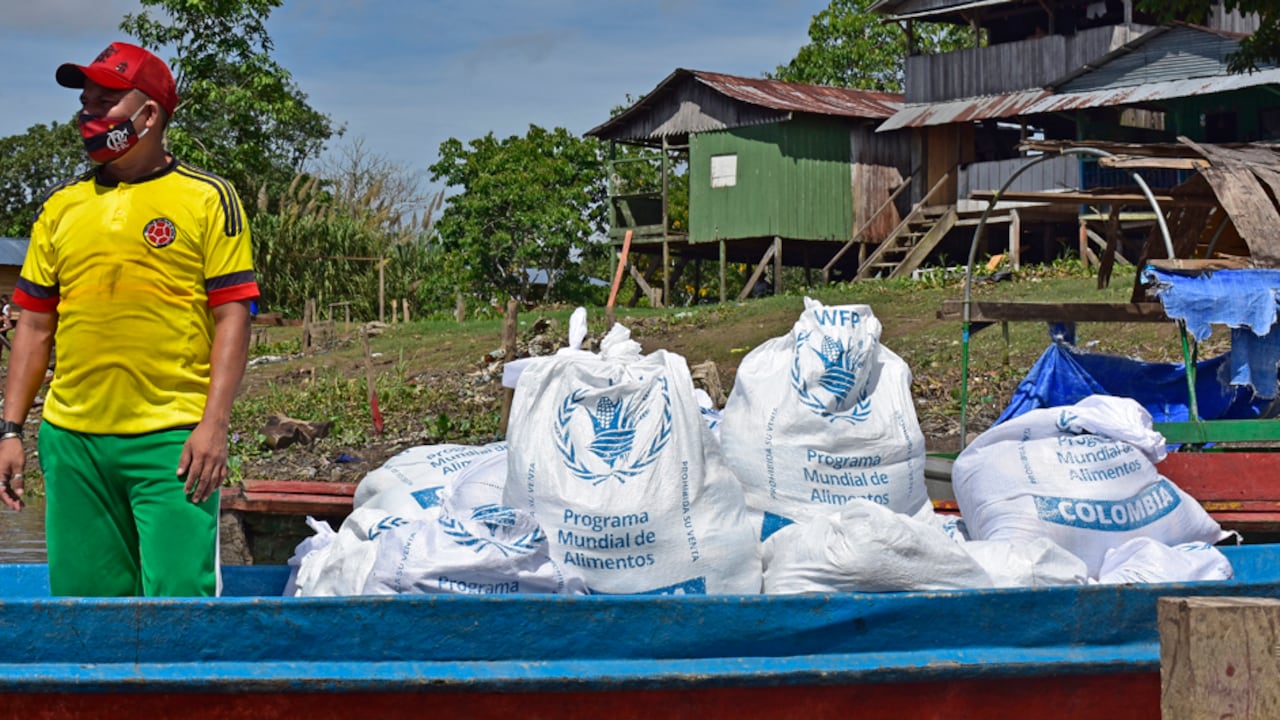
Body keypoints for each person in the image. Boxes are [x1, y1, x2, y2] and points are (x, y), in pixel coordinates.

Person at [0, 42, 260, 598]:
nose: (88, 115)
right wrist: (11, 429)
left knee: (179, 605)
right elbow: (34, 325)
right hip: (74, 443)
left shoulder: (209, 198)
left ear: (148, 116)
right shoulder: (60, 206)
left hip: (172, 441)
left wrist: (213, 425)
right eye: (85, 103)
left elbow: (233, 317)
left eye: (105, 102)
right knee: (86, 611)